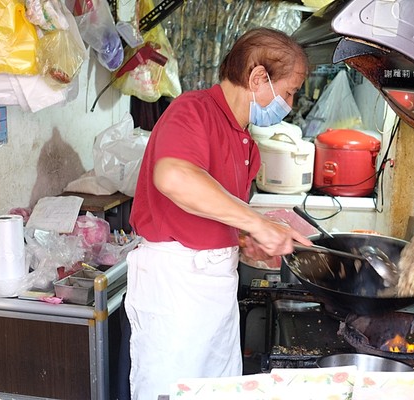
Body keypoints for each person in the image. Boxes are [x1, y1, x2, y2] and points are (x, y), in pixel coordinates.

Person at [125, 27, 312, 399]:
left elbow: (213, 213)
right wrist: (257, 222)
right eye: (289, 91)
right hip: (175, 290)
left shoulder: (246, 141)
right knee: (170, 391)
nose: (289, 103)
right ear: (258, 77)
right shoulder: (192, 110)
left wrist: (246, 240)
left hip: (215, 294)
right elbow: (174, 177)